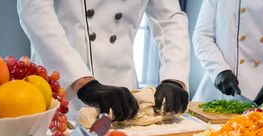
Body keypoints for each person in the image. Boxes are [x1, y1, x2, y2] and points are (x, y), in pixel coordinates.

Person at [17, 0, 190, 121]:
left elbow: (170, 19)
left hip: (123, 87)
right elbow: (34, 8)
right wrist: (81, 81)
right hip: (63, 82)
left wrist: (174, 77)